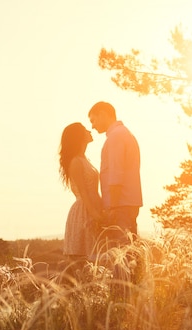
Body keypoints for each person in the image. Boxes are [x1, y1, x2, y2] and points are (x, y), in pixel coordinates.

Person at [88, 102, 143, 247]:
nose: (92, 126)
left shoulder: (116, 137)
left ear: (103, 114)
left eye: (93, 120)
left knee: (122, 253)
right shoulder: (123, 133)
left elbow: (115, 175)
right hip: (126, 203)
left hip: (120, 205)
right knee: (129, 250)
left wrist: (112, 208)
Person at [58, 122, 103, 269]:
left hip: (92, 208)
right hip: (84, 212)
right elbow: (84, 193)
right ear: (79, 136)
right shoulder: (76, 162)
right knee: (84, 262)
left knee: (97, 260)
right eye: (85, 130)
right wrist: (95, 214)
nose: (89, 131)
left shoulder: (84, 159)